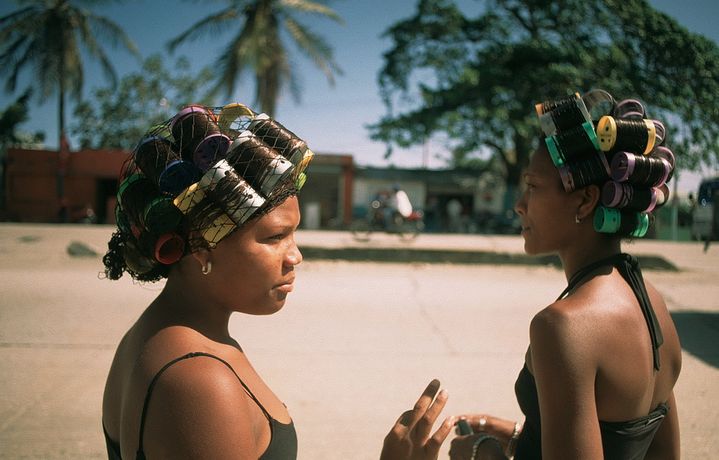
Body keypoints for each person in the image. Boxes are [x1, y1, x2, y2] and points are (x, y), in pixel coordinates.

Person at [386, 90, 683, 460]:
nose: (519, 205)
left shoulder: (564, 326)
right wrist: (516, 435)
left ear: (585, 200)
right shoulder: (652, 303)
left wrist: (484, 453)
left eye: (532, 186)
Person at [101, 103, 314, 459]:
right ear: (202, 246)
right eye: (275, 237)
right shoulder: (199, 380)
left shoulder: (152, 333)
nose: (295, 256)